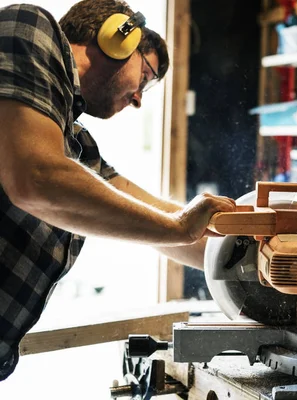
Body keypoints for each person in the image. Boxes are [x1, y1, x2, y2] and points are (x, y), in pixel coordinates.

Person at [0, 0, 236, 381]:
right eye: (145, 77)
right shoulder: (29, 27)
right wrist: (179, 226)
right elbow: (36, 179)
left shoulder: (75, 145)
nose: (140, 99)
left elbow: (154, 217)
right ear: (117, 38)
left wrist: (246, 255)